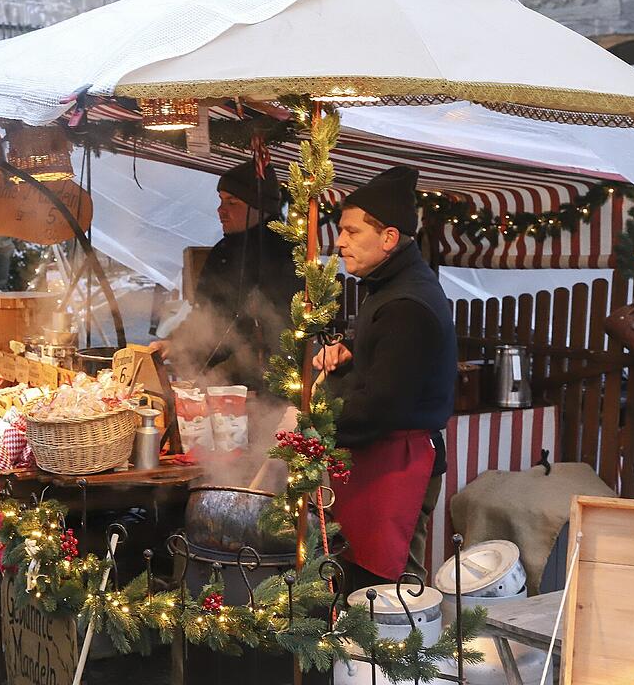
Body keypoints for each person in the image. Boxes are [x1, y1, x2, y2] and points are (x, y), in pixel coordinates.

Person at [313, 166, 457, 590]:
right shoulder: (391, 287)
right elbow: (390, 361)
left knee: (393, 590)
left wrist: (313, 428)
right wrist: (351, 354)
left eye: (352, 232)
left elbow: (382, 404)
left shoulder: (406, 304)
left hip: (400, 463)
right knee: (365, 581)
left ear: (389, 238)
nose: (340, 242)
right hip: (382, 460)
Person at [152, 161, 301, 390]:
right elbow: (206, 315)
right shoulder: (222, 251)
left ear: (260, 207)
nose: (221, 211)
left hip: (267, 388)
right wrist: (175, 344)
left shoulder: (284, 255)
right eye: (221, 201)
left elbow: (274, 333)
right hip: (215, 382)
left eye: (232, 202)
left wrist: (224, 372)